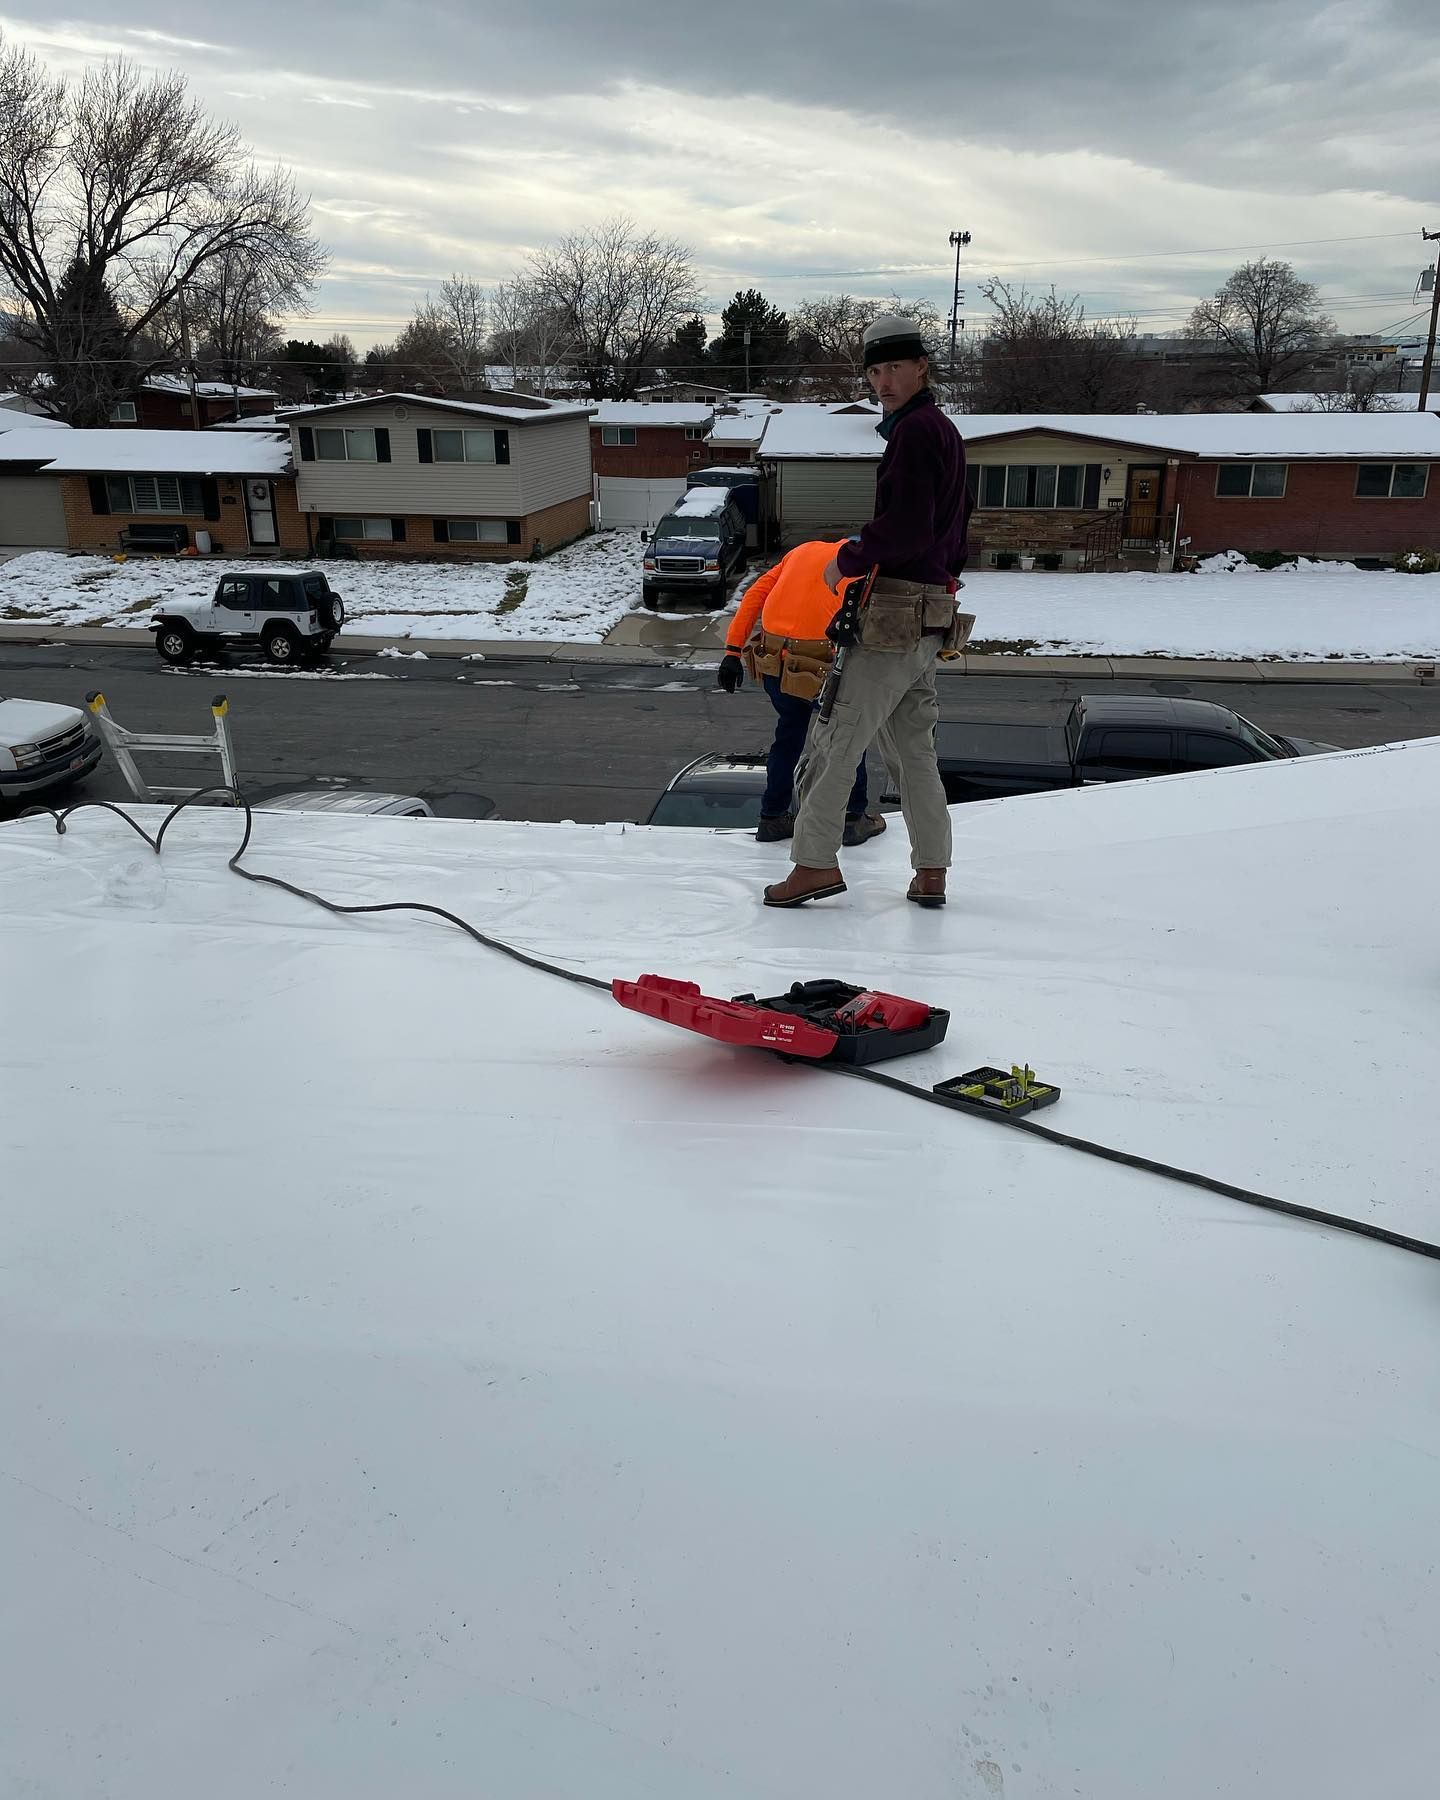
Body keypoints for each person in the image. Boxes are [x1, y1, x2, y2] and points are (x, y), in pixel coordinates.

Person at [763, 314, 974, 911]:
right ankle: (931, 870)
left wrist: (848, 560)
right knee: (913, 751)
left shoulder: (914, 433)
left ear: (921, 368)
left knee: (836, 737)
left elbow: (904, 527)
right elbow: (956, 522)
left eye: (895, 368)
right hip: (932, 612)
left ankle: (814, 863)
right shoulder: (944, 430)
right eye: (875, 371)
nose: (883, 382)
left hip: (893, 617)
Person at [716, 538, 884, 847]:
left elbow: (755, 595)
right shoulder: (862, 564)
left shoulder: (799, 552)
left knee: (788, 736)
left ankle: (773, 817)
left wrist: (732, 651)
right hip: (822, 666)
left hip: (776, 662)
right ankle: (852, 818)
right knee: (847, 737)